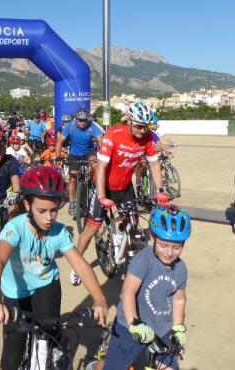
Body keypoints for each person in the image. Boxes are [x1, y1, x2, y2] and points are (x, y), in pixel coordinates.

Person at [0, 166, 108, 370]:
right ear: (27, 205)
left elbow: (80, 265)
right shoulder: (16, 228)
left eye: (54, 210)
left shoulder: (58, 233)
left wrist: (100, 299)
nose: (49, 217)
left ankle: (57, 343)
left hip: (46, 285)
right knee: (11, 359)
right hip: (15, 292)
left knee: (49, 332)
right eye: (41, 211)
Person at [70, 102, 169, 286]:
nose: (142, 130)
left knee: (133, 226)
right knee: (92, 227)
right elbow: (101, 167)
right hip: (104, 186)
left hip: (125, 188)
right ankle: (76, 265)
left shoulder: (147, 139)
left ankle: (123, 246)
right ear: (130, 121)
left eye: (145, 126)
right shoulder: (114, 134)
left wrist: (160, 191)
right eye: (138, 125)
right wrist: (101, 197)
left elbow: (154, 164)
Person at [96, 206, 191, 370]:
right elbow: (128, 292)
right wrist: (134, 322)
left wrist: (178, 327)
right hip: (130, 326)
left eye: (176, 247)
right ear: (153, 237)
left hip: (162, 328)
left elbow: (179, 298)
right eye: (164, 245)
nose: (169, 252)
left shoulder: (181, 268)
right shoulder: (143, 260)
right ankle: (102, 355)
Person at [56, 108, 104, 216]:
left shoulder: (92, 126)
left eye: (85, 120)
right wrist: (58, 155)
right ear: (76, 119)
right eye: (80, 120)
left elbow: (101, 140)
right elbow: (60, 140)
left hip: (89, 151)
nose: (82, 122)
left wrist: (103, 152)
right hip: (74, 153)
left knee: (94, 163)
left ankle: (91, 182)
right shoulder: (70, 125)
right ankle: (72, 202)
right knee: (73, 176)